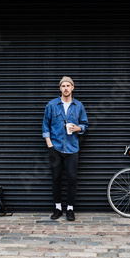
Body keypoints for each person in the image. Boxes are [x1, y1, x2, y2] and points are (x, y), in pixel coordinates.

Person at [42, 76, 88, 221]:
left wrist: (78, 128)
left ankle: (70, 209)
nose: (66, 88)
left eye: (68, 85)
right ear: (60, 88)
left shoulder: (79, 106)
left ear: (72, 88)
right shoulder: (52, 105)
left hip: (72, 148)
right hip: (55, 148)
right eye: (63, 86)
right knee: (56, 179)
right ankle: (57, 208)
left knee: (72, 179)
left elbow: (85, 124)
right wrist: (50, 145)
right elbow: (45, 125)